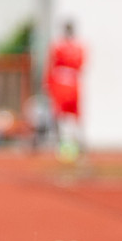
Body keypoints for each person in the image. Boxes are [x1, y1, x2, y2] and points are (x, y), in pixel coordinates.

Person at [46, 19, 86, 161]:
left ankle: (77, 143)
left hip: (71, 83)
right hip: (62, 82)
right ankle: (61, 144)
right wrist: (49, 83)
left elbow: (81, 65)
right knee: (59, 114)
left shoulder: (77, 47)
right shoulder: (59, 47)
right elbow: (52, 65)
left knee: (74, 115)